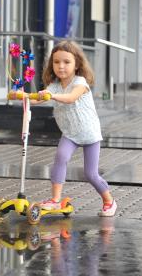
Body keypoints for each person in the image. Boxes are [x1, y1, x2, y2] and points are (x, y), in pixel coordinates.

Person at [33, 41, 117, 217]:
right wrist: (25, 96)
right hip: (70, 134)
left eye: (66, 62)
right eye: (56, 62)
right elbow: (38, 99)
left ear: (77, 64)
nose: (61, 66)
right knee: (61, 157)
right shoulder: (54, 86)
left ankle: (109, 200)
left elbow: (71, 98)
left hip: (90, 134)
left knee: (90, 174)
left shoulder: (80, 83)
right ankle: (55, 201)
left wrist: (52, 95)